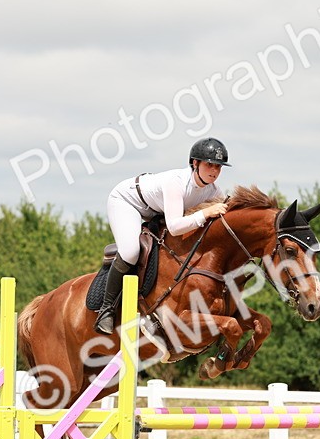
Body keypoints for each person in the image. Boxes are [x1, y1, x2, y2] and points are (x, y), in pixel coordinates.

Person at [93, 137, 231, 334]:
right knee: (131, 252)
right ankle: (106, 310)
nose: (214, 171)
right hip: (128, 202)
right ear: (195, 163)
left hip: (157, 211)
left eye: (218, 166)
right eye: (209, 164)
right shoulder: (176, 183)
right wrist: (205, 213)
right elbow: (174, 227)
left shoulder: (214, 191)